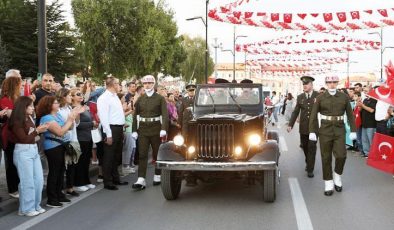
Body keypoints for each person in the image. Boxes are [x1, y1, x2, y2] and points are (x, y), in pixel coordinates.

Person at [309, 76, 356, 196]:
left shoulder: (344, 97)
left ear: (337, 83)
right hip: (325, 129)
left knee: (341, 156)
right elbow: (313, 115)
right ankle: (328, 182)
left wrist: (353, 130)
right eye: (329, 82)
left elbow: (350, 115)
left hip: (340, 129)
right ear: (326, 84)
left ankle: (337, 175)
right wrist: (312, 131)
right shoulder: (320, 98)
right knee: (326, 157)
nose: (332, 85)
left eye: (334, 82)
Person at [9, 96, 48, 216]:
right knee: (27, 182)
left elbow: (33, 138)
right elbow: (24, 139)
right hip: (23, 152)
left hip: (33, 149)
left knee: (39, 180)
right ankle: (27, 209)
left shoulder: (30, 117)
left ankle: (35, 205)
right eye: (30, 105)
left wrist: (39, 133)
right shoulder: (16, 121)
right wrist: (38, 131)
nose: (33, 107)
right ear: (23, 107)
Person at [37, 96, 77, 207]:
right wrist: (69, 120)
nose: (58, 104)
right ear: (49, 105)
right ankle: (52, 199)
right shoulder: (46, 118)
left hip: (61, 146)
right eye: (55, 103)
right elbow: (60, 132)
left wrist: (72, 118)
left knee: (60, 171)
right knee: (54, 172)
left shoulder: (57, 115)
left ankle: (59, 194)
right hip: (52, 147)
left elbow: (68, 127)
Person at [131, 75, 168, 190]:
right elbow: (135, 115)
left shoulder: (160, 98)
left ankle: (157, 175)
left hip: (156, 129)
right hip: (143, 129)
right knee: (142, 154)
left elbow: (165, 115)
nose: (147, 85)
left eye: (150, 83)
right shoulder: (140, 99)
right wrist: (134, 130)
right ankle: (141, 179)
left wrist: (163, 129)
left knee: (157, 154)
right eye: (145, 83)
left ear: (154, 84)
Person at [97, 76, 128, 190]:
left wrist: (122, 128)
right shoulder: (104, 98)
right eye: (118, 84)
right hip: (110, 128)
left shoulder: (115, 97)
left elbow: (117, 114)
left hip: (118, 128)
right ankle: (108, 181)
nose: (119, 86)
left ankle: (116, 178)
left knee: (116, 156)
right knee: (109, 156)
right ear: (112, 84)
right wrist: (108, 135)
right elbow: (104, 118)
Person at [287, 76, 319, 178]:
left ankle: (310, 169)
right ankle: (308, 160)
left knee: (312, 147)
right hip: (304, 127)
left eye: (306, 84)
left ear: (311, 85)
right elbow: (296, 111)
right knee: (305, 146)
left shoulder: (318, 96)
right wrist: (290, 124)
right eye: (303, 84)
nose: (304, 86)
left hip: (314, 127)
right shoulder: (300, 97)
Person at [0, 76, 22, 199]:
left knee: (17, 161)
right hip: (9, 135)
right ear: (14, 85)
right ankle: (12, 189)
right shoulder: (5, 100)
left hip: (18, 134)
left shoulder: (17, 99)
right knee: (11, 163)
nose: (21, 86)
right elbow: (13, 116)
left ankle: (18, 185)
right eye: (19, 84)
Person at [358, 92, 377, 158]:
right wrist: (359, 104)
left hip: (371, 124)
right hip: (364, 123)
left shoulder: (374, 100)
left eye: (367, 91)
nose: (365, 93)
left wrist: (362, 105)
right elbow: (360, 109)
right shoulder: (365, 100)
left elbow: (371, 110)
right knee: (364, 140)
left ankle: (373, 154)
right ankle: (367, 153)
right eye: (365, 91)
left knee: (371, 140)